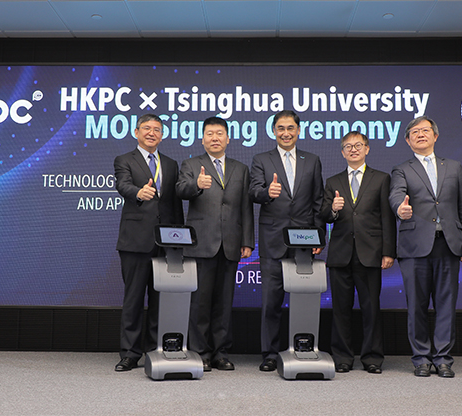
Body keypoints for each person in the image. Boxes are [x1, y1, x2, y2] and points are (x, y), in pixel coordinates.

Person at [389, 116, 462, 378]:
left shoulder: (454, 167)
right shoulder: (402, 169)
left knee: (446, 304)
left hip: (448, 244)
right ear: (407, 140)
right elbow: (396, 195)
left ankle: (443, 358)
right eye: (414, 132)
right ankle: (421, 359)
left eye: (425, 130)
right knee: (416, 304)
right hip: (415, 246)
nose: (420, 135)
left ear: (435, 136)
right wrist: (400, 209)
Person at [176, 116, 254, 372]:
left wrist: (247, 242)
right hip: (202, 243)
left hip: (231, 244)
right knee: (200, 301)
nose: (215, 138)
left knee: (224, 301)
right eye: (210, 134)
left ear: (228, 138)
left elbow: (246, 207)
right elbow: (181, 189)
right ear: (202, 138)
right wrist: (196, 185)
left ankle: (221, 352)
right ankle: (200, 352)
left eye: (219, 133)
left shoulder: (240, 169)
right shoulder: (191, 164)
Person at [249, 110, 324, 372]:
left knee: (304, 298)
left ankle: (302, 348)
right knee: (271, 301)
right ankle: (269, 353)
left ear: (298, 130)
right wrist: (267, 193)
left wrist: (319, 237)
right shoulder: (261, 159)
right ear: (274, 132)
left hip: (304, 241)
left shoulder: (312, 160)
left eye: (290, 128)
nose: (286, 133)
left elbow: (317, 201)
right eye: (280, 128)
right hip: (273, 241)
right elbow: (254, 191)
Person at [320, 131, 396, 374]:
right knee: (340, 309)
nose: (353, 150)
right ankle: (342, 357)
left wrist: (388, 252)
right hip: (341, 254)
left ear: (367, 149)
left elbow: (387, 218)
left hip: (371, 253)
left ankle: (372, 358)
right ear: (342, 152)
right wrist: (332, 209)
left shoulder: (382, 179)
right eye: (348, 146)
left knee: (371, 308)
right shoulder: (333, 182)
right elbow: (323, 215)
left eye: (358, 145)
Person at [113, 114, 183, 371]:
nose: (151, 133)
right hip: (135, 242)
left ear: (162, 135)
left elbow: (175, 205)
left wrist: (179, 240)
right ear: (136, 132)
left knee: (160, 300)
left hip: (165, 243)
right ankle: (130, 353)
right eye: (147, 129)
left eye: (157, 129)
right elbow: (123, 185)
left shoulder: (171, 163)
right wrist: (138, 193)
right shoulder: (124, 160)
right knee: (133, 299)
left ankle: (156, 348)